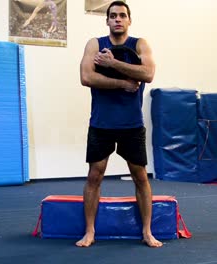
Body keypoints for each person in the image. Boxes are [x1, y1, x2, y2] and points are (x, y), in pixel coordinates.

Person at [77, 1, 162, 248]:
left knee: (140, 177)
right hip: (102, 123)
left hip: (131, 124)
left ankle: (147, 231)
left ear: (129, 20)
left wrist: (112, 64)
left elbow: (148, 74)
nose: (117, 19)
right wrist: (122, 84)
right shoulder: (95, 44)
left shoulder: (140, 44)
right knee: (95, 175)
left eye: (122, 15)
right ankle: (90, 231)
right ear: (107, 21)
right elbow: (86, 77)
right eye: (113, 15)